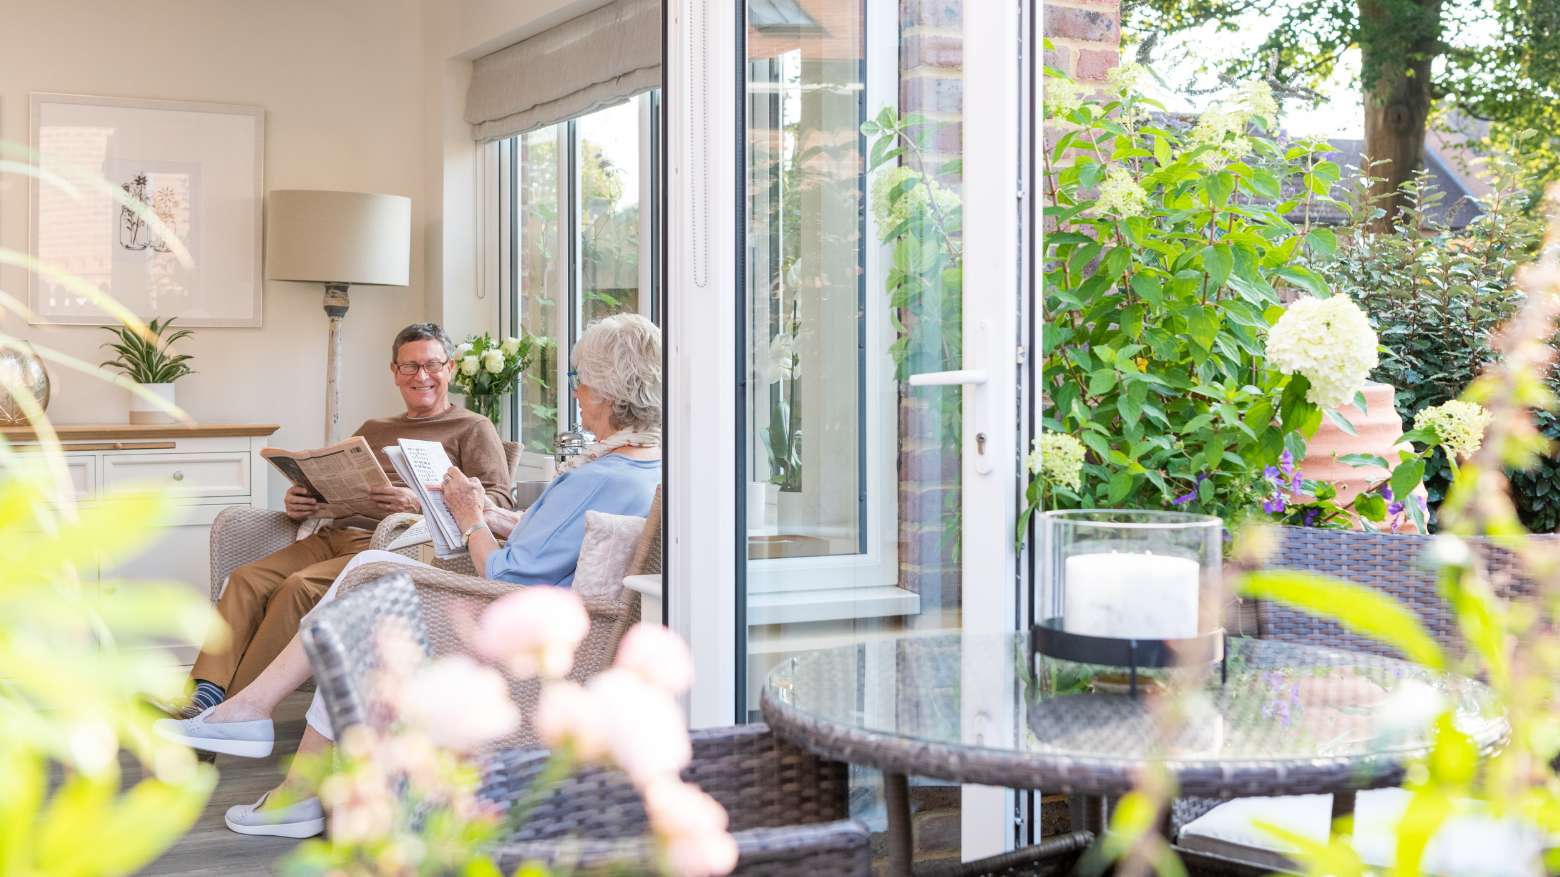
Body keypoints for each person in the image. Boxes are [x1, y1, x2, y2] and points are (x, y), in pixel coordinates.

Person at [155, 313, 663, 839]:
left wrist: (468, 515)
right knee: (351, 586)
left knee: (363, 594)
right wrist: (484, 514)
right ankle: (258, 737)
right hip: (529, 608)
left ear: (608, 392)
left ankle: (268, 744)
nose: (576, 392)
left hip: (516, 624)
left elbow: (509, 570)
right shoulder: (643, 465)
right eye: (409, 367)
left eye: (581, 381)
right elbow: (547, 537)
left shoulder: (591, 471)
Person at [175, 323, 513, 719]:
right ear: (394, 372)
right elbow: (331, 476)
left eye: (431, 365)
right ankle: (205, 694)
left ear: (450, 368)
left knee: (297, 588)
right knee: (246, 579)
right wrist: (302, 498)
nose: (421, 376)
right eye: (409, 367)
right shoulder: (374, 428)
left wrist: (418, 502)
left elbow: (499, 501)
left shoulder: (472, 428)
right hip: (333, 532)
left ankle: (234, 712)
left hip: (390, 545)